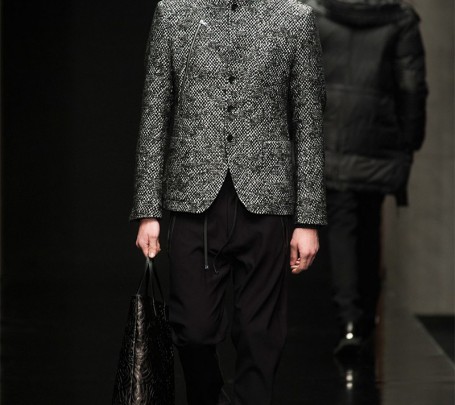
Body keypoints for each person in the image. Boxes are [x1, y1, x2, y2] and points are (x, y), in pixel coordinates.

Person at [129, 0, 327, 403]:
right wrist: (148, 209)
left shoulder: (295, 19)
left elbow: (309, 122)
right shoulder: (173, 14)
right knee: (192, 329)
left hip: (267, 200)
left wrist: (308, 219)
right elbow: (154, 114)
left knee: (260, 334)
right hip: (193, 198)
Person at [304, 0, 428, 356]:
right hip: (378, 135)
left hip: (330, 132)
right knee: (369, 224)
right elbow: (412, 87)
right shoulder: (399, 19)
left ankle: (348, 320)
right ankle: (363, 322)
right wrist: (410, 140)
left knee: (342, 226)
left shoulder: (317, 14)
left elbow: (300, 78)